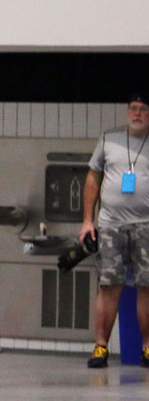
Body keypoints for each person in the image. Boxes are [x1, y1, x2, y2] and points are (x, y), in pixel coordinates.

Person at [80, 92, 149, 368]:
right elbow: (93, 177)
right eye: (133, 108)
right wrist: (88, 220)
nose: (137, 113)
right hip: (110, 224)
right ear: (126, 112)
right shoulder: (109, 138)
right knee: (108, 286)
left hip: (147, 226)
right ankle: (100, 347)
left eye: (143, 109)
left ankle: (147, 348)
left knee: (147, 287)